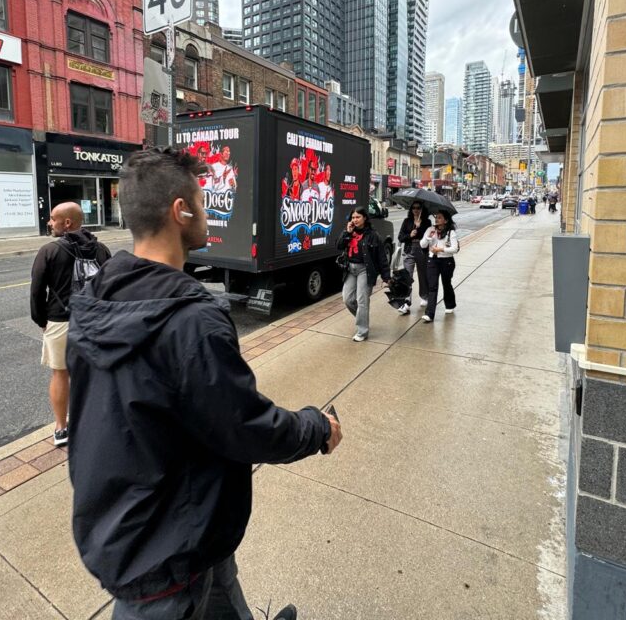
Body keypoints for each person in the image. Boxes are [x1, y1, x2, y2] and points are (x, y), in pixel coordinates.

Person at [67, 149, 340, 620]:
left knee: (222, 586)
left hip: (150, 522)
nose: (209, 211)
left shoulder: (95, 299)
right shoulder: (192, 319)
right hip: (164, 554)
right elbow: (244, 425)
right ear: (180, 211)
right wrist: (317, 428)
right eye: (203, 199)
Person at [29, 202, 111, 447]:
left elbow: (36, 291)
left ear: (67, 223)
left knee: (60, 374)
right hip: (95, 320)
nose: (49, 222)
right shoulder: (102, 249)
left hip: (60, 319)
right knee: (94, 373)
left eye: (53, 219)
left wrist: (41, 320)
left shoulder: (49, 251)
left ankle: (61, 428)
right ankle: (94, 422)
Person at [337, 205, 391, 341]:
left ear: (365, 218)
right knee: (347, 299)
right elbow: (338, 246)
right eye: (353, 217)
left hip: (365, 270)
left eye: (358, 217)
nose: (355, 220)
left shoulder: (373, 235)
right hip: (350, 269)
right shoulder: (349, 231)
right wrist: (346, 232)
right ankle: (362, 319)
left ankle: (362, 331)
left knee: (362, 300)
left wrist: (386, 277)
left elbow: (382, 257)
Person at [419, 211, 460, 323]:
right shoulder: (430, 230)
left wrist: (441, 249)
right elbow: (422, 244)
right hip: (433, 260)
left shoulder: (450, 232)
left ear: (445, 220)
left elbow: (454, 249)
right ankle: (429, 314)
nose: (437, 219)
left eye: (440, 218)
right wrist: (428, 237)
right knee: (432, 287)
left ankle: (450, 304)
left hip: (447, 261)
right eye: (436, 217)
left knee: (446, 284)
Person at [396, 202, 431, 314]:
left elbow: (429, 237)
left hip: (422, 251)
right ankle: (406, 302)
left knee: (422, 274)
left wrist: (419, 229)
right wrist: (409, 235)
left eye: (418, 208)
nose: (416, 210)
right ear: (411, 210)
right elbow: (401, 237)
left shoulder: (427, 222)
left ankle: (424, 296)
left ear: (422, 210)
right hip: (409, 250)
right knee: (407, 277)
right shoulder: (407, 221)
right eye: (414, 208)